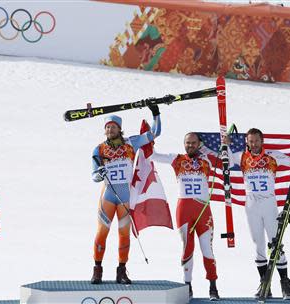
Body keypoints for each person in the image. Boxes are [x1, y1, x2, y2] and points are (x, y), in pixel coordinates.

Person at [225, 128, 290, 299]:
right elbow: (225, 158)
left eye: (256, 141)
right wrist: (225, 144)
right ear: (247, 142)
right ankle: (264, 284)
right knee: (258, 246)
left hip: (269, 204)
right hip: (251, 206)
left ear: (262, 141)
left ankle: (285, 285)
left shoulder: (273, 155)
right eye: (250, 141)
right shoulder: (241, 156)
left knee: (276, 244)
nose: (254, 144)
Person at [90, 105, 160, 285]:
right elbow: (94, 177)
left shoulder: (132, 143)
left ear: (119, 128)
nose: (110, 129)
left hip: (125, 198)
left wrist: (155, 113)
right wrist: (100, 174)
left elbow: (154, 133)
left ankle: (121, 271)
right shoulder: (98, 150)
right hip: (108, 197)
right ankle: (97, 270)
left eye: (113, 127)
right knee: (101, 234)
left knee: (124, 235)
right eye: (107, 127)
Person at [151, 132, 220, 300]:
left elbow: (229, 161)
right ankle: (187, 285)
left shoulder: (208, 159)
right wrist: (148, 139)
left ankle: (213, 287)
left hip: (203, 210)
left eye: (193, 143)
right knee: (187, 248)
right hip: (184, 209)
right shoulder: (177, 159)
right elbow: (153, 156)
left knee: (207, 249)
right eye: (187, 143)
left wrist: (225, 145)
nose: (190, 145)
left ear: (199, 144)